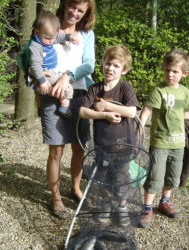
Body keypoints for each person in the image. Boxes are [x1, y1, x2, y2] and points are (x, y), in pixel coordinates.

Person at [39, 0, 96, 219]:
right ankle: (55, 198)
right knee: (56, 150)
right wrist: (36, 76)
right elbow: (29, 55)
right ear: (65, 4)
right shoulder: (48, 25)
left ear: (86, 13)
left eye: (81, 10)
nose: (75, 13)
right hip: (51, 97)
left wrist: (67, 76)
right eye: (72, 7)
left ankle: (75, 188)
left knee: (80, 147)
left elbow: (89, 65)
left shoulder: (87, 34)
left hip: (79, 95)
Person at [79, 45, 141, 227]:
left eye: (115, 66)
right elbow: (83, 111)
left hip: (123, 145)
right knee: (103, 177)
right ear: (102, 63)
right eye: (107, 63)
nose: (110, 68)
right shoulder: (95, 88)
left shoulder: (125, 88)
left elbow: (131, 112)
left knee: (122, 177)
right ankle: (106, 206)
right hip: (101, 144)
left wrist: (107, 106)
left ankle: (121, 207)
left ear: (124, 70)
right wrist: (103, 115)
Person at [138, 49, 189, 228]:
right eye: (166, 70)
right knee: (155, 175)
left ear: (184, 74)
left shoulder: (185, 93)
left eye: (175, 71)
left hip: (178, 144)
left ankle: (164, 202)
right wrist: (139, 129)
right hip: (160, 143)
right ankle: (146, 208)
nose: (170, 74)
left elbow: (186, 114)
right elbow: (146, 111)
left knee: (172, 175)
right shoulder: (158, 91)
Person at [29, 10, 79, 119]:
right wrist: (42, 81)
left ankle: (40, 105)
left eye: (52, 38)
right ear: (37, 32)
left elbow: (58, 37)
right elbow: (35, 65)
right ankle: (64, 106)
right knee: (67, 87)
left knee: (57, 84)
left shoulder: (47, 38)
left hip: (49, 71)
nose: (51, 41)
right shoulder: (35, 46)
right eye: (48, 38)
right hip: (45, 72)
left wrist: (69, 37)